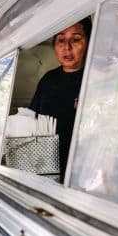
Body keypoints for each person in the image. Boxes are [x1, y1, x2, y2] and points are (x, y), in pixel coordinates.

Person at [29, 17, 92, 181]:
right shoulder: (48, 81)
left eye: (76, 39)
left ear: (89, 41)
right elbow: (31, 125)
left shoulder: (94, 78)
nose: (66, 47)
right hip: (48, 174)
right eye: (61, 40)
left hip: (85, 174)